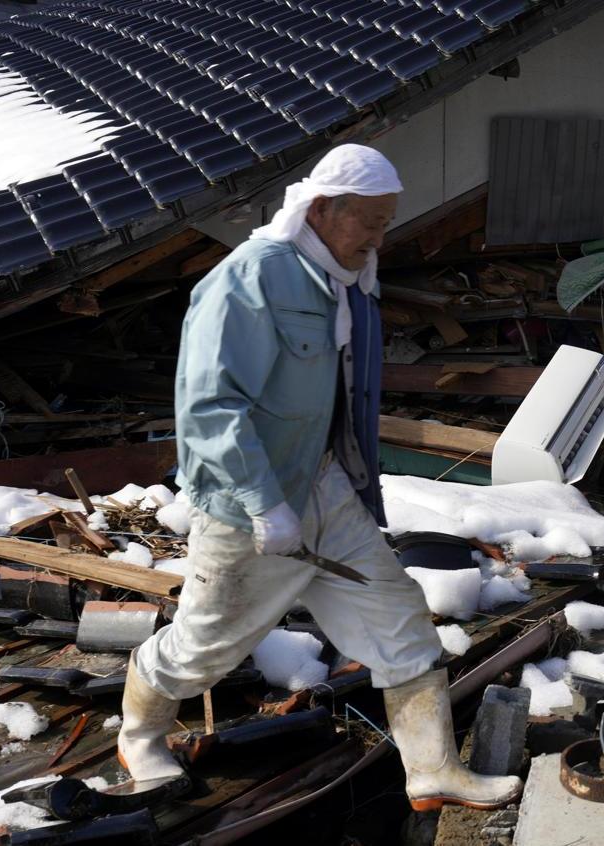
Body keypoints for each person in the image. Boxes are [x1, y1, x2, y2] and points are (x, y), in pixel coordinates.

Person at [113, 144, 522, 812]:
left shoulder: (343, 276)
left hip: (325, 488)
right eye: (371, 221)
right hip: (249, 504)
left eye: (387, 222)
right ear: (323, 208)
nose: (379, 237)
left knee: (398, 618)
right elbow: (209, 405)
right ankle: (139, 735)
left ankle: (432, 771)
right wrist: (264, 503)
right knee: (204, 648)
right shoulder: (251, 278)